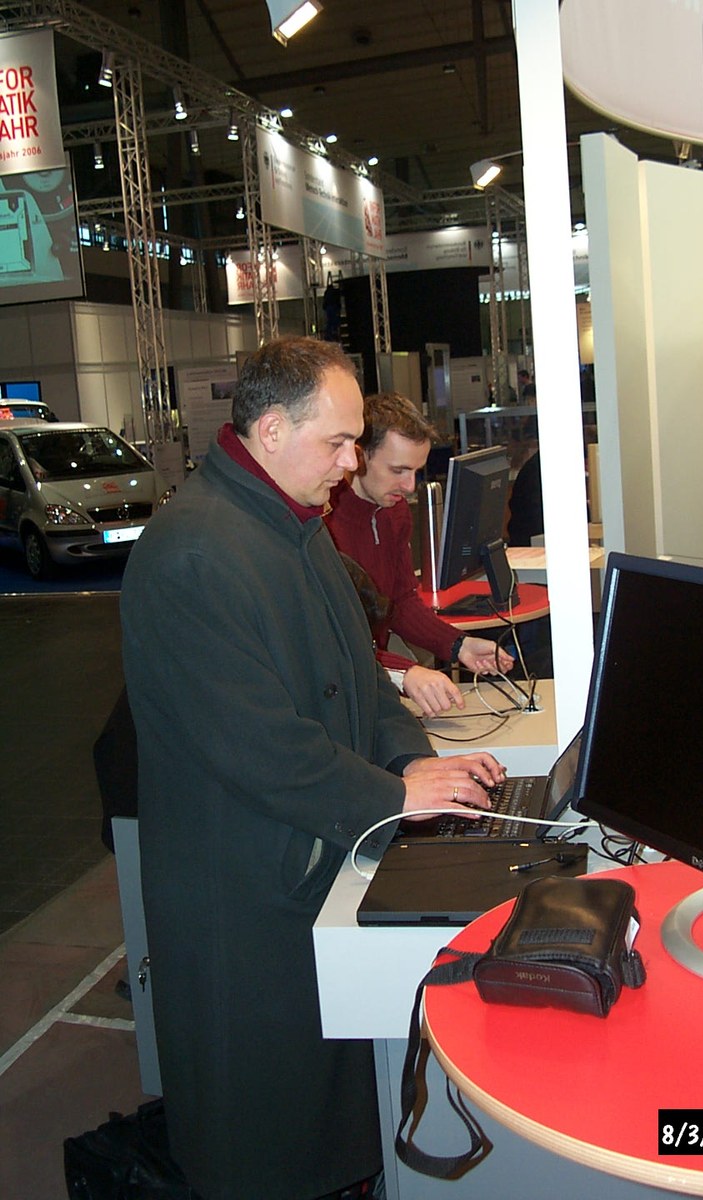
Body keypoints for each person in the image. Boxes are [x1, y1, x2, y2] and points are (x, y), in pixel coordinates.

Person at [120, 336, 505, 1200]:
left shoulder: (294, 527)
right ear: (266, 428)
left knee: (323, 1108)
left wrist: (418, 767)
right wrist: (392, 796)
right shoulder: (193, 552)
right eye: (337, 442)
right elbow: (257, 744)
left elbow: (362, 676)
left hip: (305, 858)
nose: (352, 461)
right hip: (244, 886)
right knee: (260, 1128)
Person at [325, 392, 514, 716]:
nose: (410, 486)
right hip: (339, 685)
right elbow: (331, 639)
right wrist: (403, 672)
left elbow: (400, 601)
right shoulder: (323, 522)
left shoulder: (394, 512)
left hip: (374, 674)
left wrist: (459, 645)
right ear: (359, 456)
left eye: (416, 471)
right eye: (398, 470)